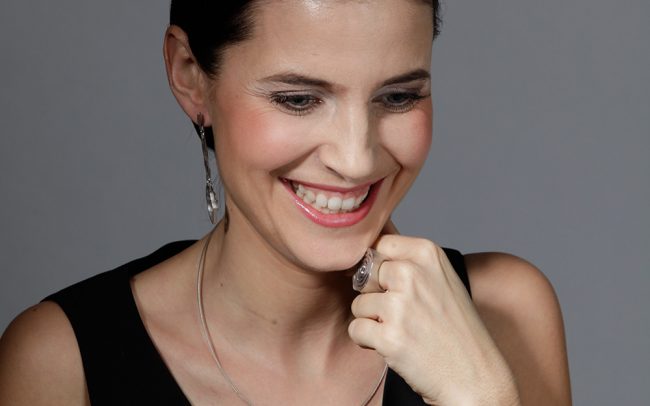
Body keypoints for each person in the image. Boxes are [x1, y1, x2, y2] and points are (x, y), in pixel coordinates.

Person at [0, 1, 571, 404]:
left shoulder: (507, 313)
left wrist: (483, 399)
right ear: (190, 75)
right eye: (299, 99)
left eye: (398, 97)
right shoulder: (62, 361)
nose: (356, 159)